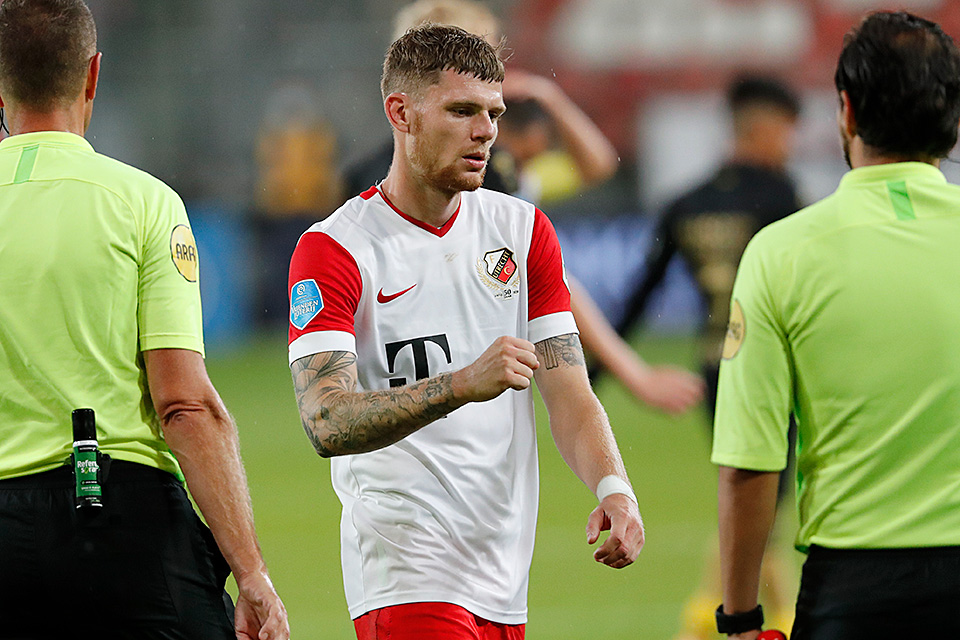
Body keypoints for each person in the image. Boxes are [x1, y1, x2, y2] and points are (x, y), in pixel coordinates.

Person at [287, 25, 644, 639]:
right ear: (401, 113)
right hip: (405, 570)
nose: (486, 132)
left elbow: (569, 392)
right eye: (461, 111)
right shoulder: (336, 249)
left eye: (493, 113)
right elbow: (325, 420)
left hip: (503, 573)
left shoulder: (522, 231)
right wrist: (459, 384)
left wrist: (615, 488)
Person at [0, 1, 288, 638]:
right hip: (116, 516)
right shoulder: (143, 203)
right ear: (93, 75)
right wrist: (252, 573)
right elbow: (184, 405)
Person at [712, 10, 960, 639]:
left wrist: (740, 617)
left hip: (855, 593)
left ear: (846, 111)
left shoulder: (781, 253)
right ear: (952, 120)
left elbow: (750, 463)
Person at [344, 0, 703, 415]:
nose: (495, 70)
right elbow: (540, 273)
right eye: (484, 51)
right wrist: (633, 373)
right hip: (457, 366)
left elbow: (597, 165)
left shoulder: (367, 175)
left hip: (394, 377)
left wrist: (545, 95)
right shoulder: (477, 172)